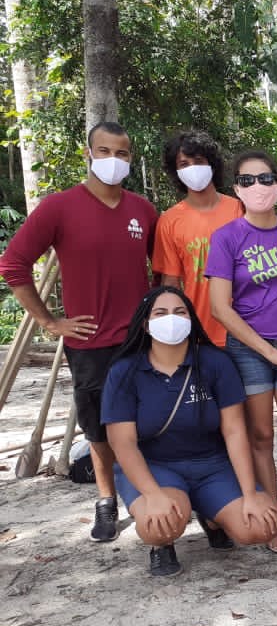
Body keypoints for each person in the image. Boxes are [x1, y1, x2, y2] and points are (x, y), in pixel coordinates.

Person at [0, 121, 157, 542]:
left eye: (122, 153)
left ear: (130, 158)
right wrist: (50, 322)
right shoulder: (59, 207)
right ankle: (106, 501)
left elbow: (160, 271)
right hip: (89, 343)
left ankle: (153, 496)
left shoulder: (143, 211)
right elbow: (13, 265)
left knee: (148, 422)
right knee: (98, 428)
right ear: (88, 155)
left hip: (143, 339)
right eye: (104, 151)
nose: (113, 160)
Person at [101, 287, 277, 576]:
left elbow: (235, 432)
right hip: (157, 468)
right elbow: (122, 444)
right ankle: (162, 546)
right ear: (146, 325)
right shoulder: (124, 371)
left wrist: (250, 493)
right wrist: (153, 494)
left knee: (262, 526)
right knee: (157, 526)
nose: (171, 319)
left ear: (191, 319)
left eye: (180, 312)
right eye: (160, 313)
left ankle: (212, 517)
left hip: (213, 466)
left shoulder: (215, 362)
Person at [206, 150, 277, 554]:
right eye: (248, 180)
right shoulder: (227, 238)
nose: (259, 187)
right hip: (250, 351)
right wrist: (268, 352)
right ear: (236, 188)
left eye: (266, 179)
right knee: (259, 436)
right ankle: (271, 515)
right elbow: (221, 307)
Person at [153, 130, 242, 347]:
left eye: (199, 161)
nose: (192, 168)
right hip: (199, 332)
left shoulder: (240, 209)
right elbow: (171, 283)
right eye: (184, 164)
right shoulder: (169, 221)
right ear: (176, 171)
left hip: (244, 331)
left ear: (211, 164)